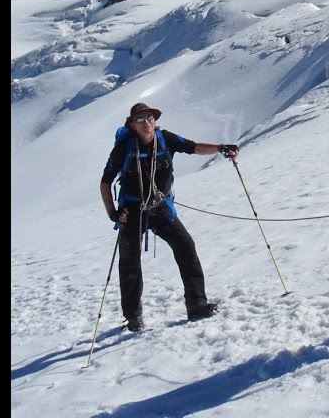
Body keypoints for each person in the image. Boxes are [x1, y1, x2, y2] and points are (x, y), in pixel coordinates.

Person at [99, 102, 239, 331]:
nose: (146, 123)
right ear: (131, 125)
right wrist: (113, 214)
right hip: (132, 211)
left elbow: (193, 147)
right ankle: (133, 317)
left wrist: (221, 148)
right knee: (130, 262)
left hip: (160, 206)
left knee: (185, 245)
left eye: (150, 118)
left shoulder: (165, 139)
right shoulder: (124, 148)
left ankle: (197, 304)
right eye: (140, 119)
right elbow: (105, 183)